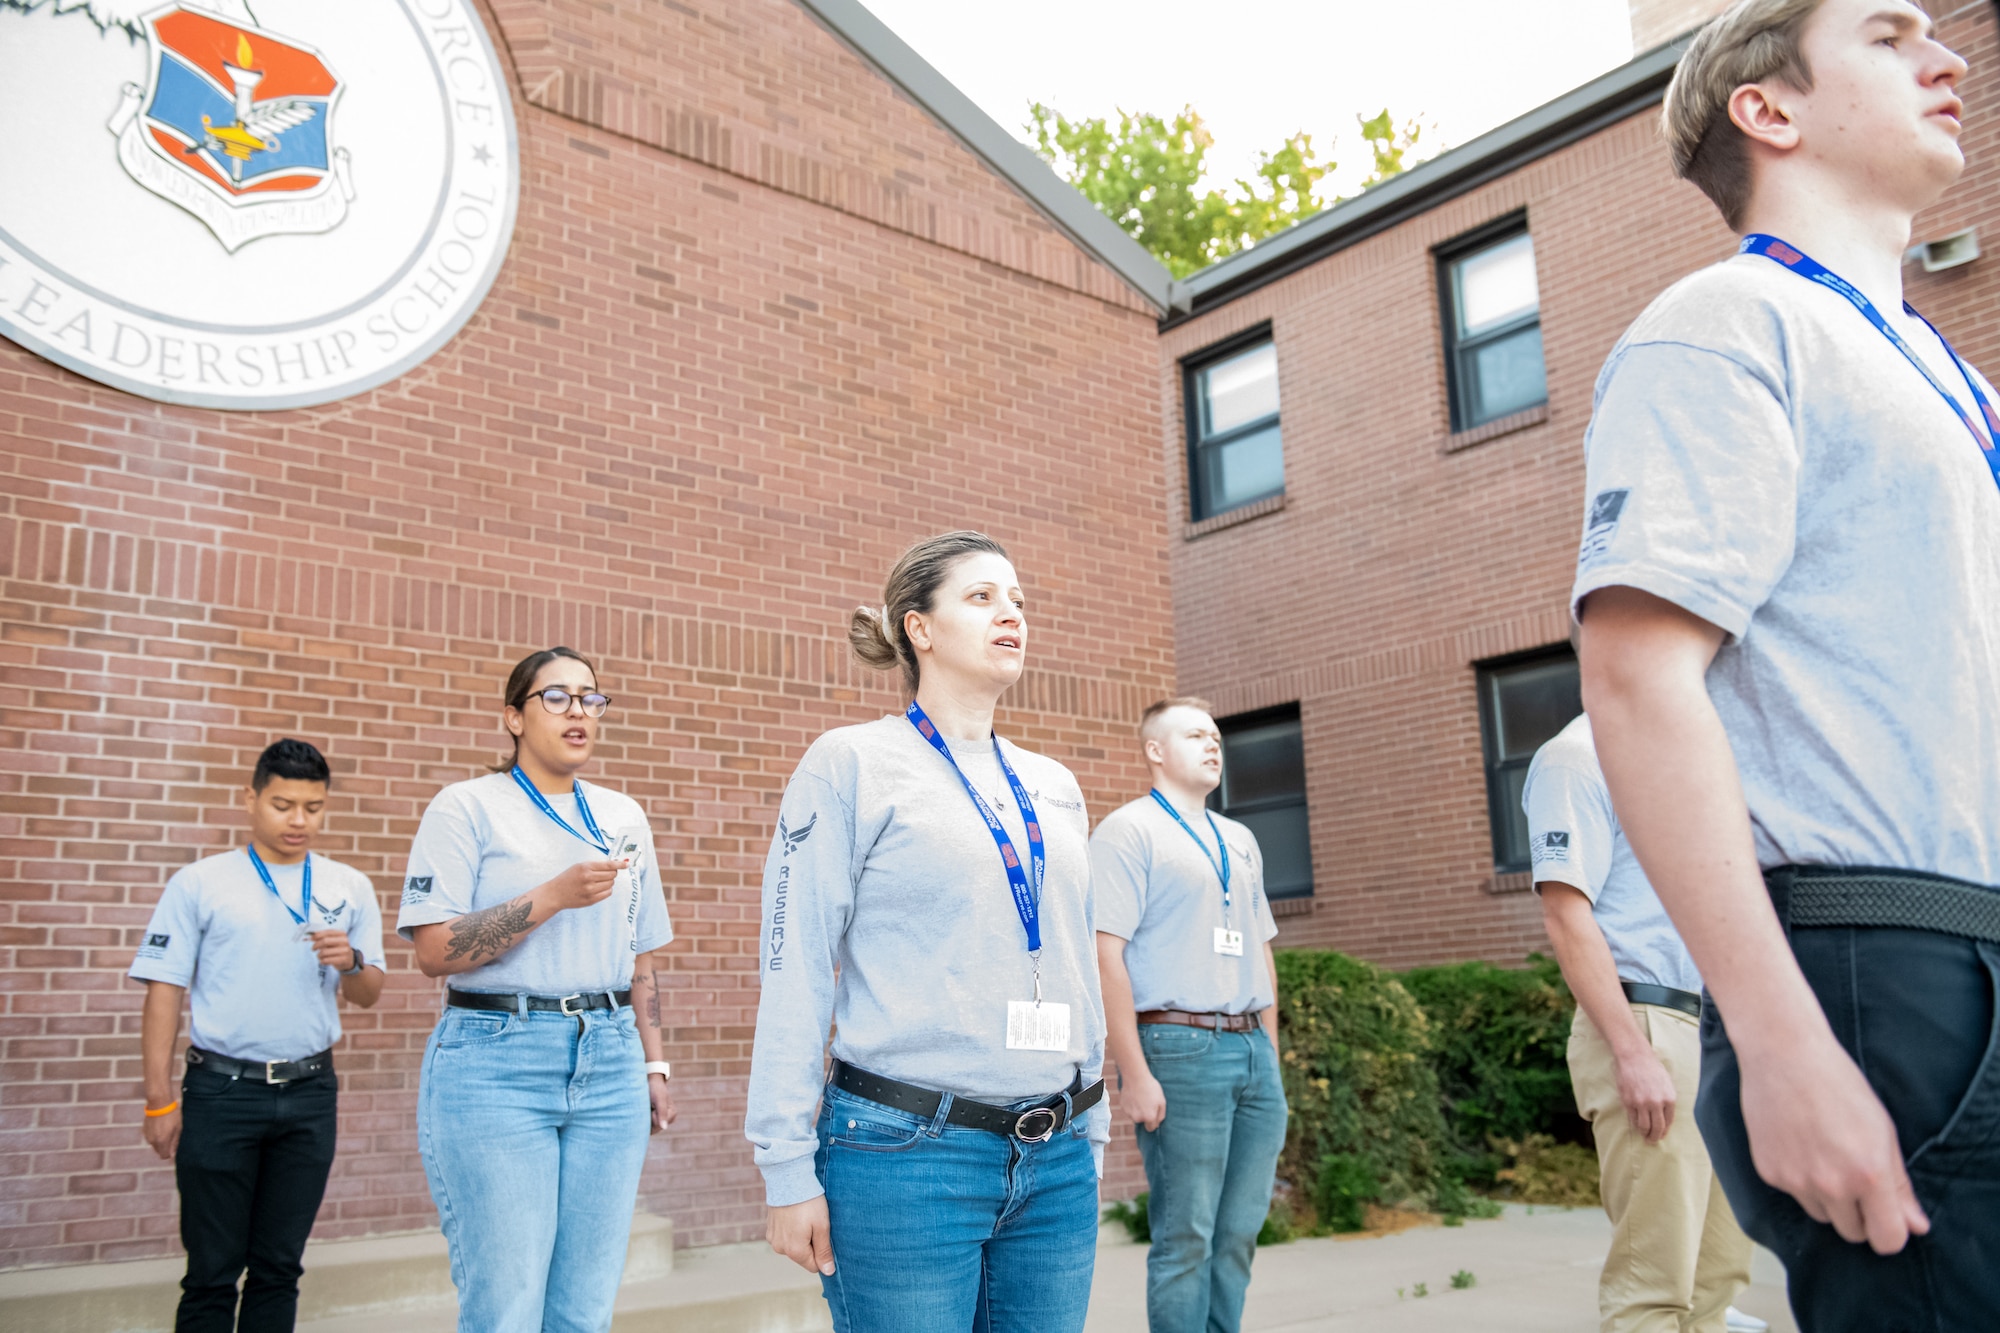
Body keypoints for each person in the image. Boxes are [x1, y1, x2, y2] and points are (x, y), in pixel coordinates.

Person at [1573, 0, 2000, 1324]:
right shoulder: (1725, 323)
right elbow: (1641, 681)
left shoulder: (1955, 378)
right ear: (1770, 109)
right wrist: (1780, 1045)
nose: (1951, 58)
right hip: (1885, 965)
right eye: (1889, 36)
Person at [746, 531, 1107, 1333]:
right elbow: (796, 962)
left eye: (1018, 599)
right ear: (919, 626)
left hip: (1055, 1154)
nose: (1011, 613)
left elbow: (1076, 958)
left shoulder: (1055, 784)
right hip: (904, 1155)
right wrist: (784, 1163)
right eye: (982, 597)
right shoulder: (850, 762)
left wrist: (1095, 1119)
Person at [397, 647, 677, 1333]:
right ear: (513, 717)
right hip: (497, 1059)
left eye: (590, 697)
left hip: (609, 1058)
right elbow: (434, 951)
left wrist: (654, 1060)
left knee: (584, 1309)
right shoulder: (466, 807)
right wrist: (550, 897)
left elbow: (639, 956)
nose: (578, 710)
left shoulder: (622, 815)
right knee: (508, 1308)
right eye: (556, 697)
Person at [130, 738, 387, 1333]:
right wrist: (159, 1099)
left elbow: (369, 992)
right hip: (222, 1092)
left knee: (278, 1268)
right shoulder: (200, 882)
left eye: (313, 807)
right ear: (250, 800)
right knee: (212, 1272)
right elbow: (163, 992)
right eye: (283, 804)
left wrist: (351, 960)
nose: (299, 820)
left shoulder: (349, 885)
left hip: (310, 1094)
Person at [1526, 713, 1761, 1333]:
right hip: (1646, 1023)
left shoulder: (1676, 757)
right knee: (1652, 1289)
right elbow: (1565, 916)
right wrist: (1631, 1052)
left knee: (1716, 1281)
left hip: (1712, 1031)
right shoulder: (1573, 758)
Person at [1091, 697, 1284, 1333]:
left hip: (1253, 1050)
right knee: (1187, 1237)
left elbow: (1260, 951)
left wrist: (1272, 1057)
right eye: (1196, 735)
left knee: (1239, 1234)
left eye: (1217, 737)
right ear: (1155, 750)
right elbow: (1105, 955)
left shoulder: (1242, 840)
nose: (1213, 745)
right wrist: (1135, 1072)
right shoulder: (1129, 831)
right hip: (1179, 1048)